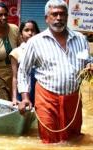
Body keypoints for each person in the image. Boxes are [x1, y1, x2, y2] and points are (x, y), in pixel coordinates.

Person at [17, 0, 93, 143]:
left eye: (62, 14)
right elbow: (23, 71)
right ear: (46, 18)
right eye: (54, 14)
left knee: (74, 139)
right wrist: (25, 97)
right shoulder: (35, 42)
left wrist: (90, 66)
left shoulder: (81, 39)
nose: (59, 18)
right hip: (46, 98)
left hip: (73, 98)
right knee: (49, 141)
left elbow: (87, 62)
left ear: (67, 16)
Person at [9, 20, 40, 106]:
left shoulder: (42, 51)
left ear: (37, 33)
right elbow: (15, 77)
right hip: (22, 92)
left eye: (33, 30)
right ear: (21, 34)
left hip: (39, 92)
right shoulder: (16, 52)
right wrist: (14, 98)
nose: (30, 33)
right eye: (26, 30)